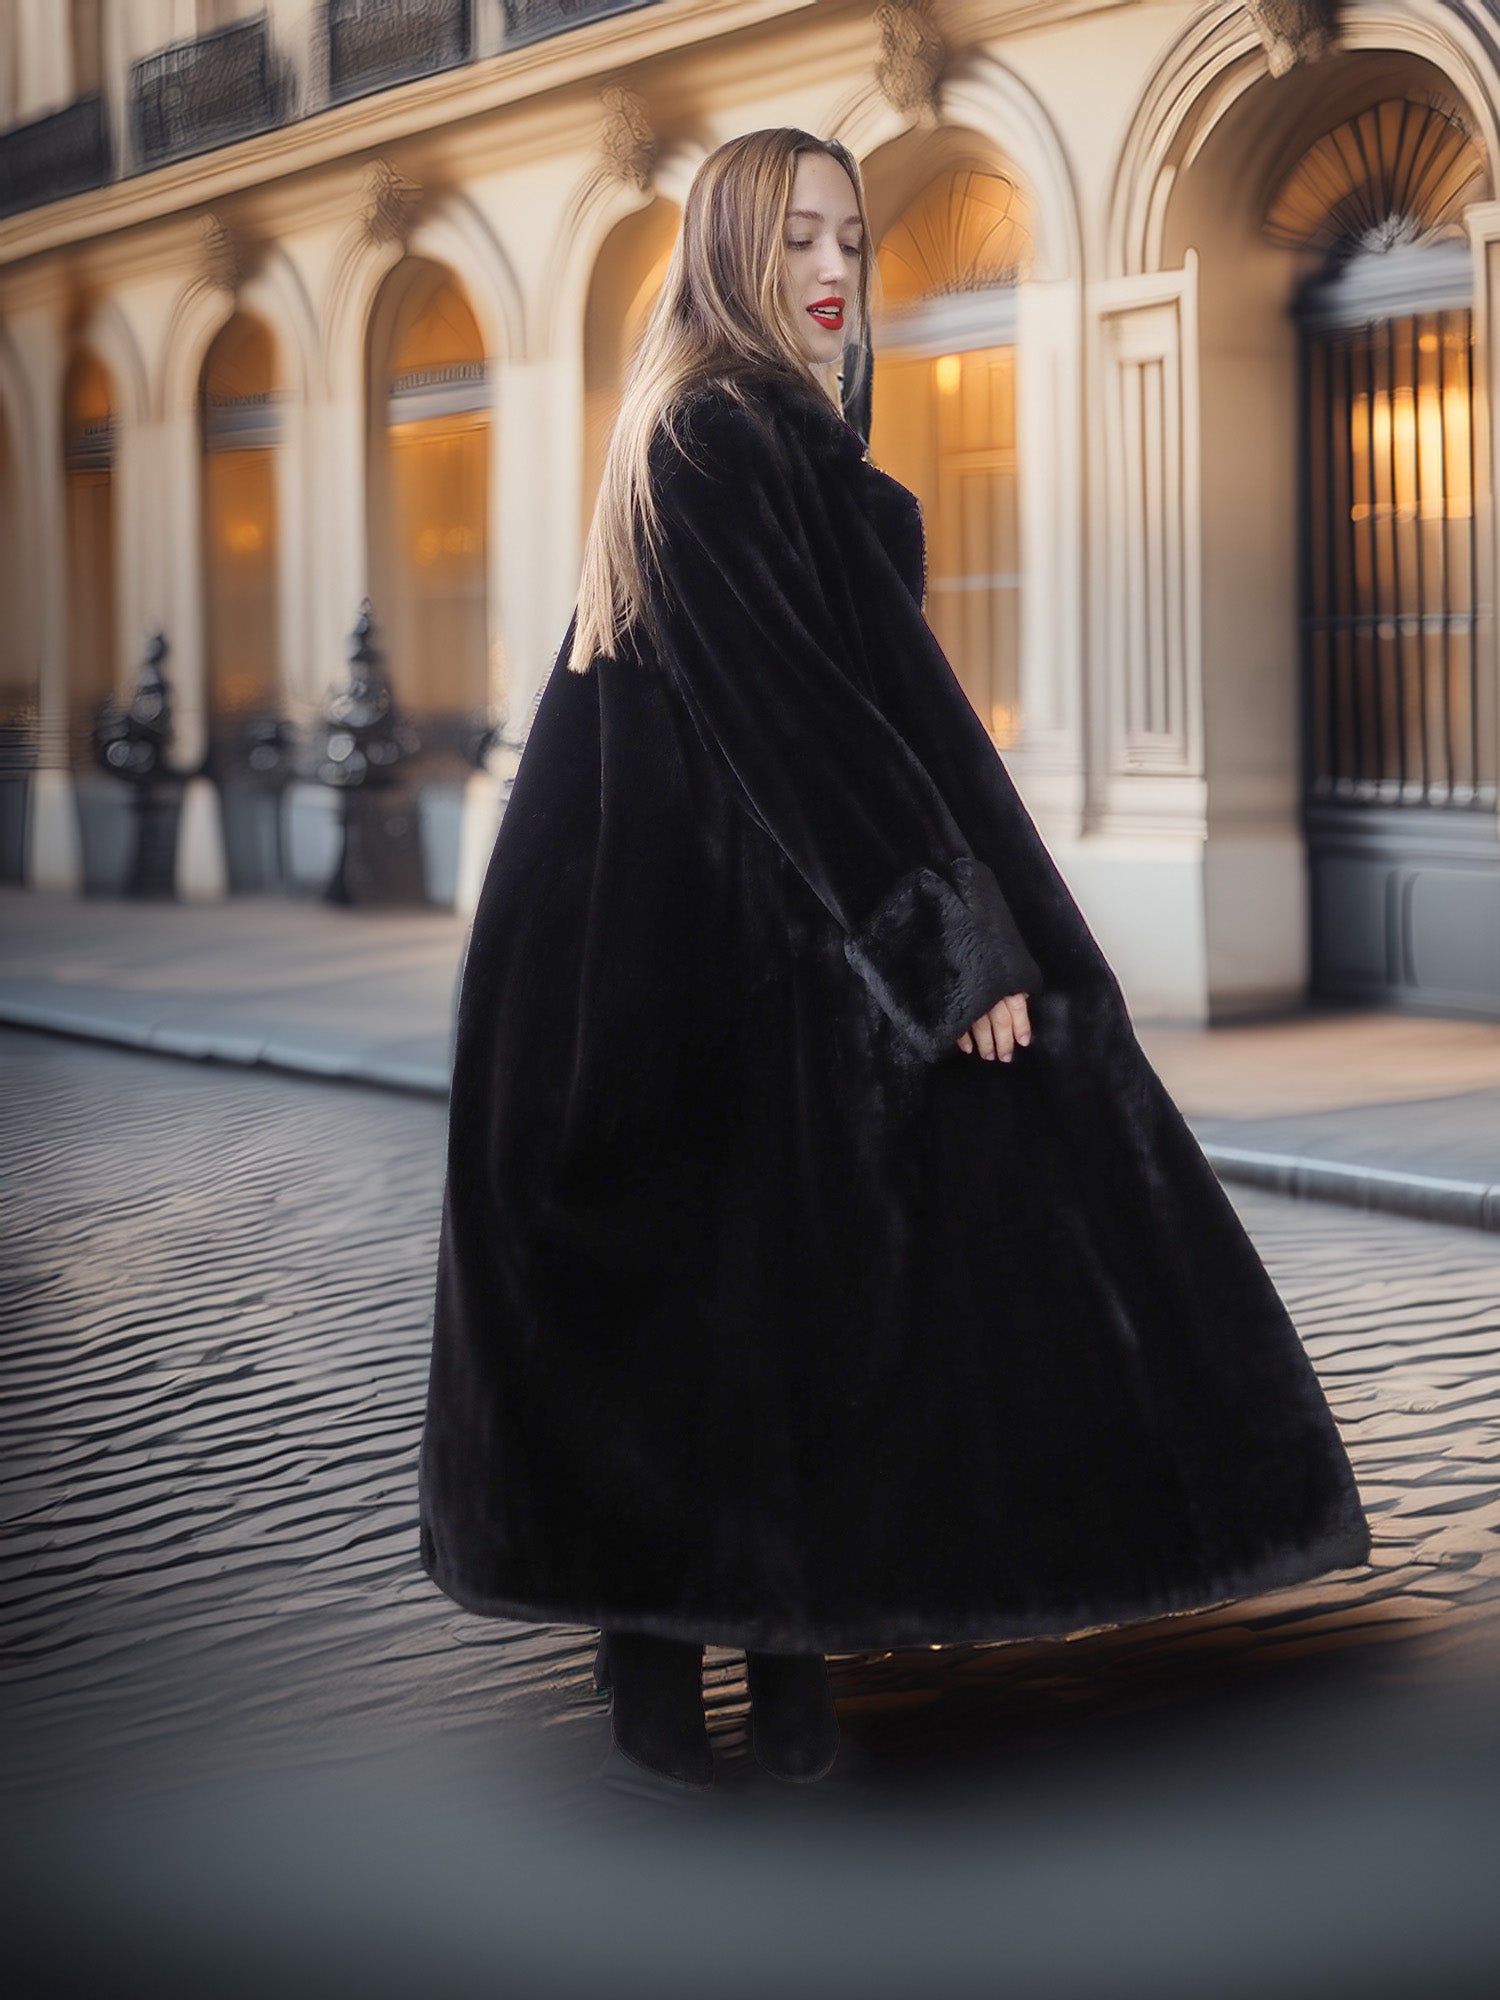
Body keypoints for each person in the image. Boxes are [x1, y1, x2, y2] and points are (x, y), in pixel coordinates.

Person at [417, 129, 1371, 1797]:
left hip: (704, 968)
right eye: (795, 237)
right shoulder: (717, 433)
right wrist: (951, 943)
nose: (831, 267)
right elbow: (808, 724)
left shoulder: (721, 433)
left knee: (745, 1325)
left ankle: (743, 1680)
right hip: (697, 978)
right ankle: (711, 1691)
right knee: (768, 1308)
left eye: (848, 237)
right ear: (730, 253)